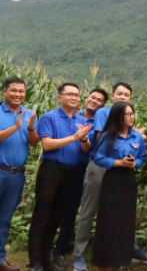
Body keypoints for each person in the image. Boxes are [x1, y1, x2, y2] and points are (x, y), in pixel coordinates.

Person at [74, 82, 147, 271]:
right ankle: (79, 255)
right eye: (120, 94)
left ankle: (127, 251)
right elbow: (100, 141)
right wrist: (119, 157)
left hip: (124, 176)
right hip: (101, 169)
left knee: (121, 214)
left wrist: (132, 150)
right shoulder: (102, 114)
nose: (123, 97)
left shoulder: (133, 132)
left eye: (127, 95)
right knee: (89, 211)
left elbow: (142, 157)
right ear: (113, 96)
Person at [28, 83, 92, 271]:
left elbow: (86, 149)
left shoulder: (81, 119)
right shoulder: (49, 117)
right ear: (59, 97)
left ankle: (46, 261)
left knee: (57, 217)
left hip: (71, 173)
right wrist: (74, 137)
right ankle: (35, 262)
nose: (74, 98)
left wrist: (82, 138)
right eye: (69, 94)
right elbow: (46, 145)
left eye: (77, 95)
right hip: (51, 170)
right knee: (42, 215)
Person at [52, 88, 108, 268]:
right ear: (86, 98)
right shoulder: (70, 116)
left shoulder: (100, 122)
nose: (94, 101)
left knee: (76, 210)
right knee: (59, 207)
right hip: (63, 167)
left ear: (103, 105)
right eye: (92, 97)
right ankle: (55, 248)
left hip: (85, 168)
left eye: (99, 100)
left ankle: (64, 246)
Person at [91, 102, 146, 268]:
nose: (131, 117)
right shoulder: (108, 135)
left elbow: (142, 157)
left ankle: (122, 259)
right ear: (118, 116)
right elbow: (98, 158)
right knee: (109, 219)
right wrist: (118, 162)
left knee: (126, 220)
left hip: (128, 180)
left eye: (132, 113)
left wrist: (134, 163)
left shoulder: (136, 136)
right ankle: (105, 260)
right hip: (112, 179)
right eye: (127, 114)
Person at [0, 77, 40, 271]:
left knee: (5, 218)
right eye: (13, 90)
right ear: (5, 92)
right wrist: (15, 127)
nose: (18, 94)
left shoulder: (30, 114)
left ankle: (0, 259)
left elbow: (33, 142)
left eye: (21, 91)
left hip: (17, 175)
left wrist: (30, 127)